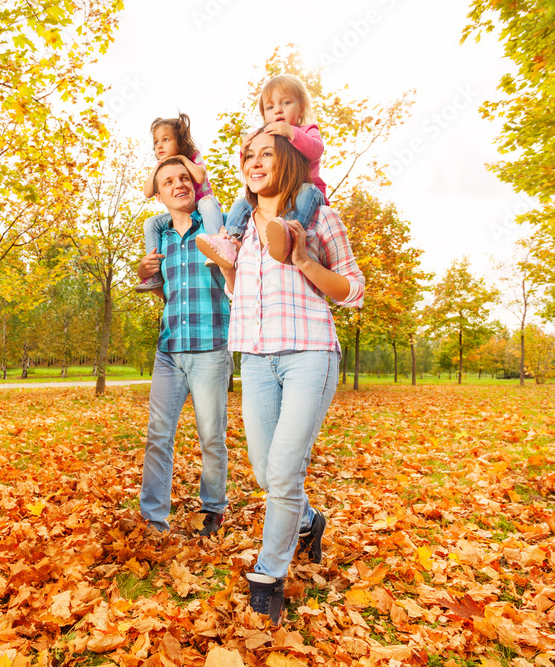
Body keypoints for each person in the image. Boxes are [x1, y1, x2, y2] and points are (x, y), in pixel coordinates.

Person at [219, 128, 364, 623]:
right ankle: (308, 520)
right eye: (248, 156)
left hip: (310, 353)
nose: (254, 162)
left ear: (288, 161)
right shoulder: (239, 228)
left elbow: (353, 289)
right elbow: (240, 296)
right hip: (256, 357)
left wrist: (303, 258)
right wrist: (227, 269)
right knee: (266, 472)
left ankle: (269, 574)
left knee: (283, 471)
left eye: (266, 154)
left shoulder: (317, 216)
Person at [133, 157, 233, 537]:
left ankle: (213, 508)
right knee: (159, 433)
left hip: (210, 346)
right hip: (169, 349)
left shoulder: (212, 228)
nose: (179, 184)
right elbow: (165, 293)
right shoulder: (160, 239)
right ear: (159, 195)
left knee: (211, 434)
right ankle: (153, 518)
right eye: (169, 181)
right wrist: (145, 275)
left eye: (184, 178)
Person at [198, 74, 328, 268]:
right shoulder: (266, 136)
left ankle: (287, 237)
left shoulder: (306, 129)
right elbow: (253, 167)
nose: (278, 110)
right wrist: (245, 150)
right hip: (273, 194)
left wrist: (292, 132)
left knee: (307, 193)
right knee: (242, 203)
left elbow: (316, 149)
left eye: (285, 103)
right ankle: (230, 242)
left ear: (301, 108)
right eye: (270, 107)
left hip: (302, 189)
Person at [136, 113, 223, 292]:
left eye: (166, 139)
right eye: (156, 142)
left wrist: (183, 159)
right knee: (150, 222)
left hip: (202, 208)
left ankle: (219, 247)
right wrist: (159, 165)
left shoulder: (192, 155)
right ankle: (154, 272)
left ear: (180, 141)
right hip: (181, 212)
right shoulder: (162, 165)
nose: (160, 145)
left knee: (208, 203)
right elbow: (147, 192)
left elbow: (199, 175)